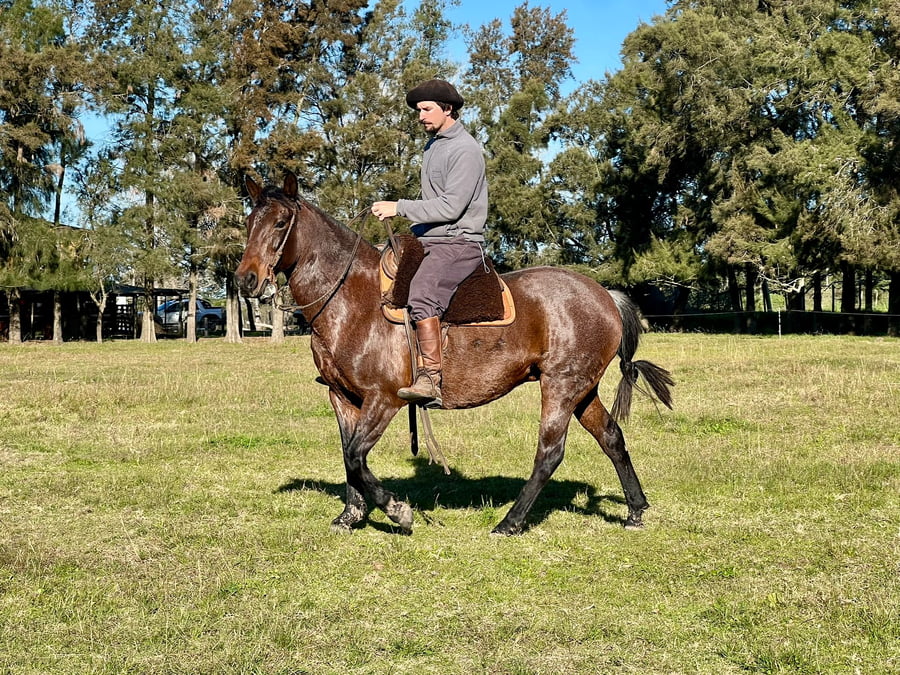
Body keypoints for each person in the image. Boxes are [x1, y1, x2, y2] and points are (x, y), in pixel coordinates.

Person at [371, 78, 488, 407]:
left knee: (421, 292)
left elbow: (451, 208)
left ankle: (430, 379)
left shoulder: (465, 150)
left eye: (426, 109)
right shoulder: (434, 145)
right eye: (418, 110)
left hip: (458, 241)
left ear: (447, 109)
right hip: (431, 238)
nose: (420, 116)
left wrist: (399, 207)